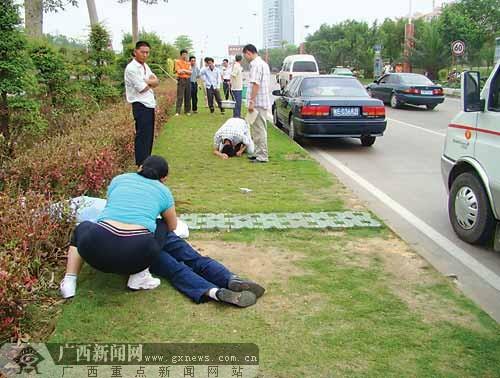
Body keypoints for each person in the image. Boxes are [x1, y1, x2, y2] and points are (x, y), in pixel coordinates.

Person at [59, 156, 176, 299]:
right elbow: (173, 225)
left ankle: (70, 281)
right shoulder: (164, 191)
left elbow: (110, 203)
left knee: (82, 227)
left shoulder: (119, 179)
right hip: (134, 259)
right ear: (164, 178)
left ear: (140, 168)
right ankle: (139, 276)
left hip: (94, 252)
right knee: (162, 225)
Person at [124, 41, 159, 166]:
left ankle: (146, 162)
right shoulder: (132, 68)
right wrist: (150, 82)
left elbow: (156, 81)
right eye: (142, 52)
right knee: (142, 136)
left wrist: (148, 81)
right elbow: (142, 88)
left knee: (148, 136)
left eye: (147, 52)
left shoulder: (145, 66)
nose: (145, 55)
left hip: (149, 104)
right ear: (135, 52)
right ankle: (141, 164)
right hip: (140, 105)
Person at [243, 44, 272, 163]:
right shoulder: (263, 64)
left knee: (259, 130)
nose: (245, 58)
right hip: (261, 101)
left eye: (245, 55)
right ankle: (258, 152)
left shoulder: (256, 65)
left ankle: (262, 156)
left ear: (249, 53)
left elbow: (255, 84)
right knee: (256, 129)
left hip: (257, 103)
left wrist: (251, 101)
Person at [175, 49, 192, 116]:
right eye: (183, 54)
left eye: (186, 54)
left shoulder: (188, 63)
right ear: (181, 55)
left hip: (188, 79)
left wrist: (184, 70)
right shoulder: (177, 62)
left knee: (188, 95)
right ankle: (178, 111)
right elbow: (179, 71)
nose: (185, 56)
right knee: (180, 96)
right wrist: (186, 71)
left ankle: (187, 111)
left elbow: (190, 72)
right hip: (181, 79)